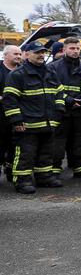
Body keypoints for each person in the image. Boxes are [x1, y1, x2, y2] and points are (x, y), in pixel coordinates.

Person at [1, 42, 65, 194]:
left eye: (43, 52)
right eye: (37, 52)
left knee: (46, 153)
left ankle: (44, 177)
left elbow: (59, 92)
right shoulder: (17, 75)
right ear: (27, 54)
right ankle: (22, 181)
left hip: (48, 122)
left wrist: (59, 111)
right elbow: (10, 100)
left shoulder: (50, 71)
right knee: (25, 155)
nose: (41, 55)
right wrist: (16, 121)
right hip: (27, 125)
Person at [48, 37, 81, 180]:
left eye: (78, 48)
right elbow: (52, 88)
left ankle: (80, 169)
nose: (75, 51)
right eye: (72, 48)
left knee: (80, 140)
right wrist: (69, 100)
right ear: (64, 50)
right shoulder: (53, 67)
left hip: (80, 111)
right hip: (62, 111)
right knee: (58, 142)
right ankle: (54, 170)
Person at [0, 45, 24, 183]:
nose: (18, 56)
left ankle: (10, 170)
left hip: (18, 115)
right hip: (1, 115)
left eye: (20, 54)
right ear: (5, 55)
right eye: (15, 54)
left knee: (14, 145)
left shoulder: (23, 71)